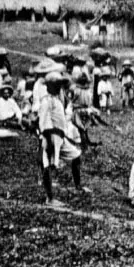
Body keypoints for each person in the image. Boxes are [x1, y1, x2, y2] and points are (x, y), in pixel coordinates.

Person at [38, 72, 90, 206]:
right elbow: (44, 121)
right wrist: (47, 139)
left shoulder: (57, 98)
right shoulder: (46, 100)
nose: (58, 87)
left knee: (76, 156)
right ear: (50, 86)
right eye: (56, 85)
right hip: (50, 136)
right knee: (47, 165)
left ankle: (78, 186)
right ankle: (50, 198)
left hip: (60, 136)